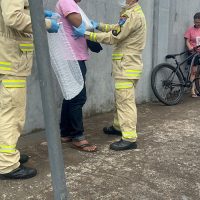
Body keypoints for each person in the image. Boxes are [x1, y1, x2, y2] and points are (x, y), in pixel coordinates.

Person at [73, 0, 146, 151]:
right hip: (126, 65)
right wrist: (99, 25)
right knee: (121, 98)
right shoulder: (130, 13)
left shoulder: (132, 15)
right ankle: (119, 126)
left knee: (125, 101)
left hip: (126, 66)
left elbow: (113, 37)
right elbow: (117, 28)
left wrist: (87, 34)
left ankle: (129, 138)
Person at [0, 0, 59, 180]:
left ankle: (6, 155)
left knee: (6, 111)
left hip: (10, 60)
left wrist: (38, 15)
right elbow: (13, 17)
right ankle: (7, 164)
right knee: (12, 113)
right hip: (11, 61)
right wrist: (45, 23)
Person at [55, 0, 97, 152]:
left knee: (70, 96)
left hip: (73, 56)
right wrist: (86, 22)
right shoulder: (67, 1)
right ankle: (78, 137)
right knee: (78, 97)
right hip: (71, 57)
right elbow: (78, 21)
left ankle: (66, 133)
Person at [184, 12, 200, 98]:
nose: (197, 24)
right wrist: (190, 47)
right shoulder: (190, 30)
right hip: (193, 54)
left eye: (198, 22)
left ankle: (198, 89)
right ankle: (192, 90)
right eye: (195, 22)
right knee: (193, 72)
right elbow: (187, 41)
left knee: (198, 73)